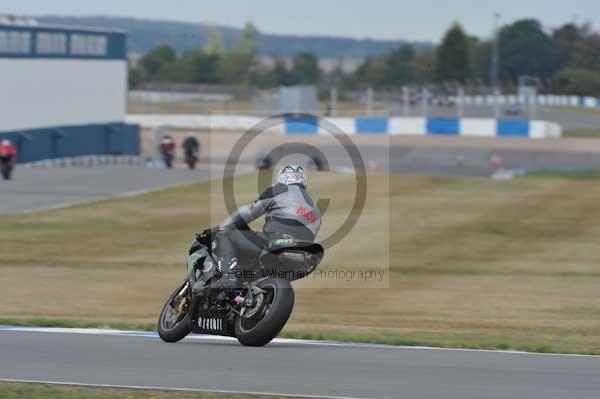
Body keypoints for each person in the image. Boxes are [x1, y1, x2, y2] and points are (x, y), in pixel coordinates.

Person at [199, 165, 321, 291]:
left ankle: (227, 277)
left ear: (281, 178)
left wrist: (221, 227)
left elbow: (248, 212)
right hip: (305, 257)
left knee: (224, 235)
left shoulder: (280, 189)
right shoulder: (316, 210)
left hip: (276, 242)